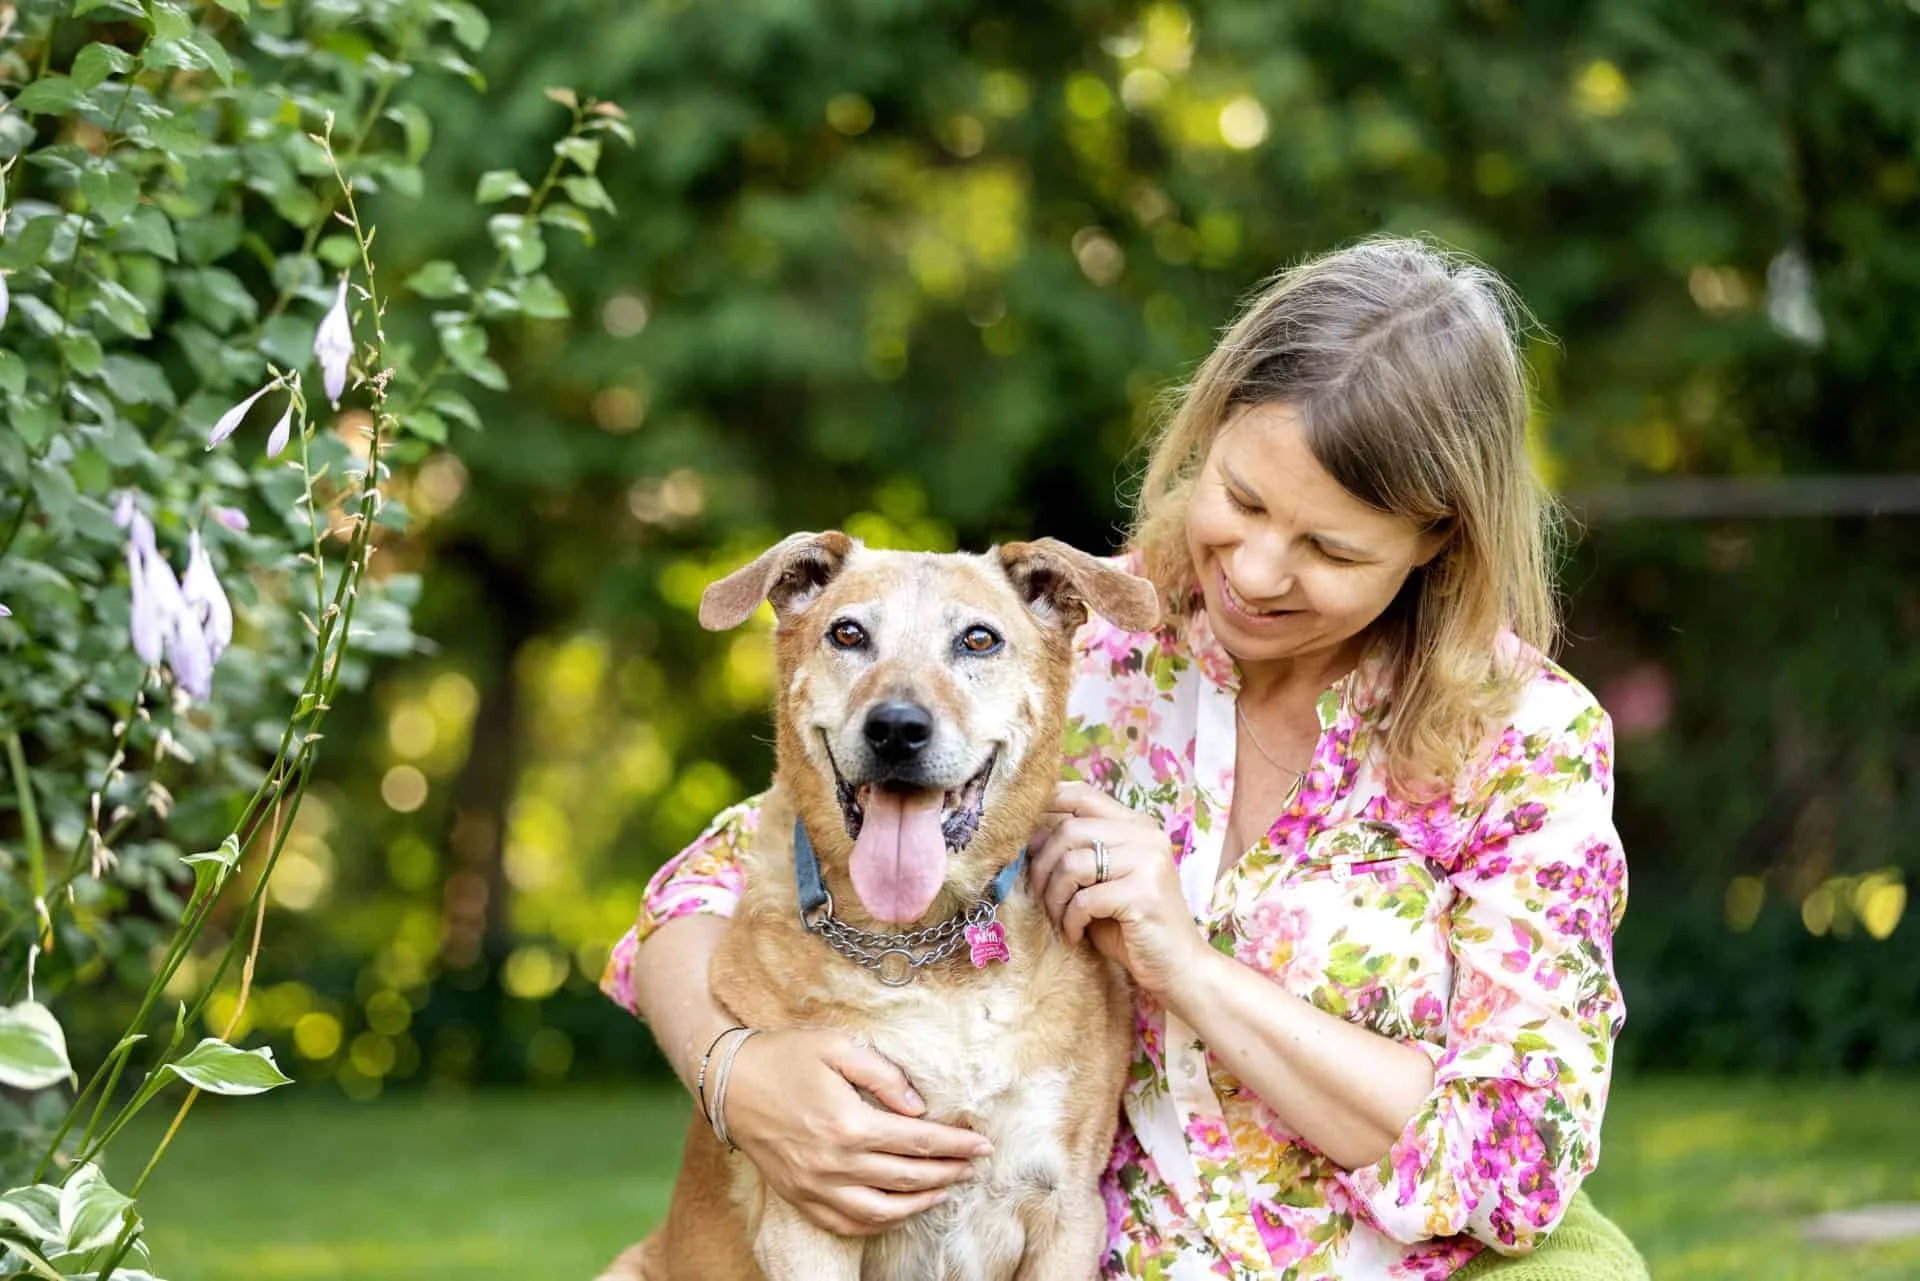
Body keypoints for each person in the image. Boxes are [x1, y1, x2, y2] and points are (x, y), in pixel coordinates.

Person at [602, 237, 1642, 1279]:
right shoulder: (1077, 640)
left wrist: (1185, 964)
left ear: (1439, 544)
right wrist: (737, 1076)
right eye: (1240, 499)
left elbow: (1514, 1162)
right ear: (1208, 439)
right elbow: (704, 888)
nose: (1257, 571)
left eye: (1330, 550)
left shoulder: (1526, 742)